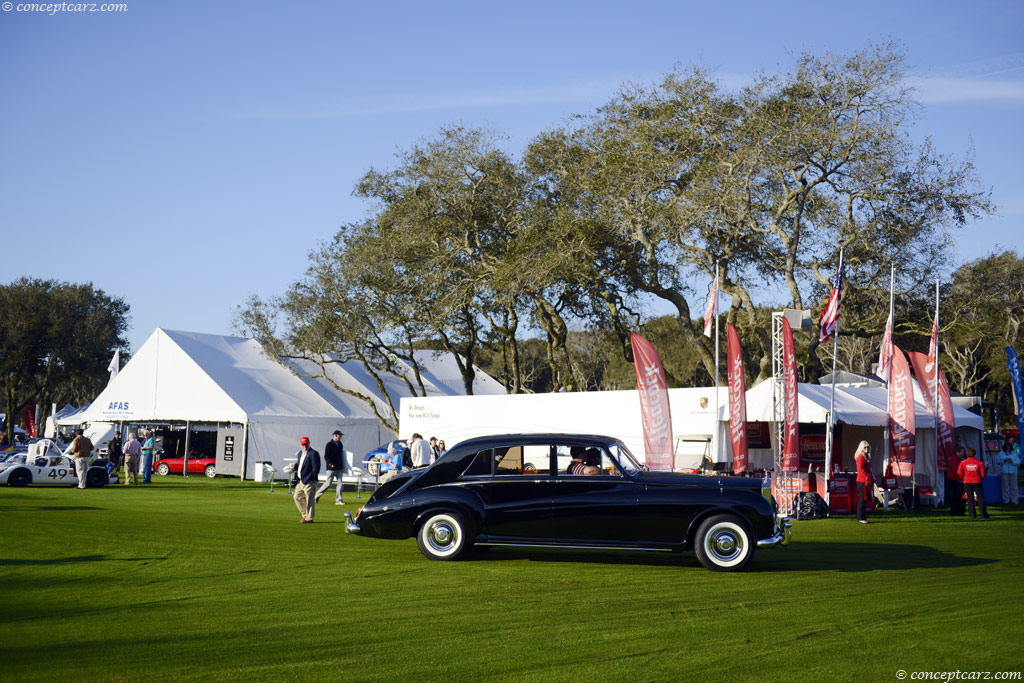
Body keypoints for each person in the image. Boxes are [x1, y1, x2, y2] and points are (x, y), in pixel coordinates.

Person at [294, 436, 321, 523]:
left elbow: (316, 469)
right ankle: (305, 515)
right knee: (297, 497)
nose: (304, 446)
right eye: (303, 444)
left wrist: (310, 479)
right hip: (300, 480)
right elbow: (299, 464)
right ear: (301, 444)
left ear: (309, 443)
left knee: (310, 500)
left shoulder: (314, 453)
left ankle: (309, 518)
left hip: (309, 481)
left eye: (306, 444)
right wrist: (294, 467)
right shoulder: (300, 453)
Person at [316, 430, 346, 505]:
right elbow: (326, 456)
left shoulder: (340, 444)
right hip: (331, 468)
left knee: (340, 483)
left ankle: (339, 500)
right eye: (339, 435)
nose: (341, 437)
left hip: (339, 467)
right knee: (328, 483)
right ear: (335, 435)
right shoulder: (329, 445)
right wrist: (330, 464)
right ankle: (317, 495)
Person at [958, 447, 989, 519]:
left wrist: (963, 478)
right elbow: (983, 472)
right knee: (980, 498)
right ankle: (984, 514)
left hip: (967, 482)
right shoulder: (979, 462)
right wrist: (981, 478)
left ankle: (972, 515)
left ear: (967, 454)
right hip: (977, 481)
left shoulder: (963, 462)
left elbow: (959, 472)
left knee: (970, 498)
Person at [854, 440, 875, 524]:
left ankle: (863, 517)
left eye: (868, 447)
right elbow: (860, 470)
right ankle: (860, 518)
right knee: (862, 500)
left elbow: (869, 470)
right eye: (865, 447)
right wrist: (866, 477)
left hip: (866, 481)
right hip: (862, 481)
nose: (866, 449)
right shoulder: (860, 457)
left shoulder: (866, 457)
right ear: (861, 448)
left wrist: (872, 478)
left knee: (865, 500)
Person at [997, 439, 1020, 505]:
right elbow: (998, 462)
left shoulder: (1014, 453)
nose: (1008, 449)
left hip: (1013, 471)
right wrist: (1004, 461)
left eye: (1009, 448)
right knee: (1005, 487)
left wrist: (1011, 461)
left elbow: (1018, 462)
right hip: (1004, 472)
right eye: (1007, 448)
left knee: (1014, 487)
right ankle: (1006, 500)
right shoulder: (1001, 453)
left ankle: (1015, 500)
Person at [945, 446, 966, 517]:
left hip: (957, 479)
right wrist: (961, 478)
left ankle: (960, 512)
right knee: (956, 497)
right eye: (962, 452)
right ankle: (955, 512)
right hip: (955, 480)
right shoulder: (955, 459)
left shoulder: (959, 459)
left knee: (960, 497)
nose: (963, 453)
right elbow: (955, 471)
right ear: (958, 452)